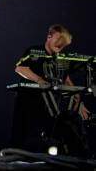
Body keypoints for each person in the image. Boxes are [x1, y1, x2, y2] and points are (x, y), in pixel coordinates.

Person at [12, 24, 90, 154]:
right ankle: (15, 158)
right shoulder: (34, 51)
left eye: (63, 43)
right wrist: (39, 80)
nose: (60, 45)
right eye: (58, 39)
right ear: (49, 36)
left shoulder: (60, 59)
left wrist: (79, 101)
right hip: (27, 100)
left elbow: (67, 81)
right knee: (21, 132)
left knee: (51, 133)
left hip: (49, 103)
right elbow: (20, 68)